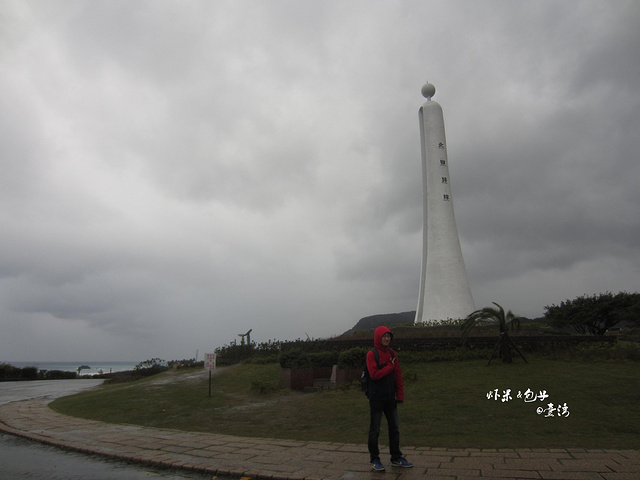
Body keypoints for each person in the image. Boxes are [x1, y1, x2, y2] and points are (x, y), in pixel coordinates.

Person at [366, 325, 413, 471]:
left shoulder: (392, 354)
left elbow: (398, 375)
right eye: (384, 336)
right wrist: (388, 367)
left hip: (390, 398)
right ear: (378, 338)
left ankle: (396, 457)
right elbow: (374, 375)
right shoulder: (371, 354)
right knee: (375, 430)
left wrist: (400, 394)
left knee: (395, 428)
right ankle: (375, 459)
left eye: (389, 336)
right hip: (377, 398)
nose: (387, 339)